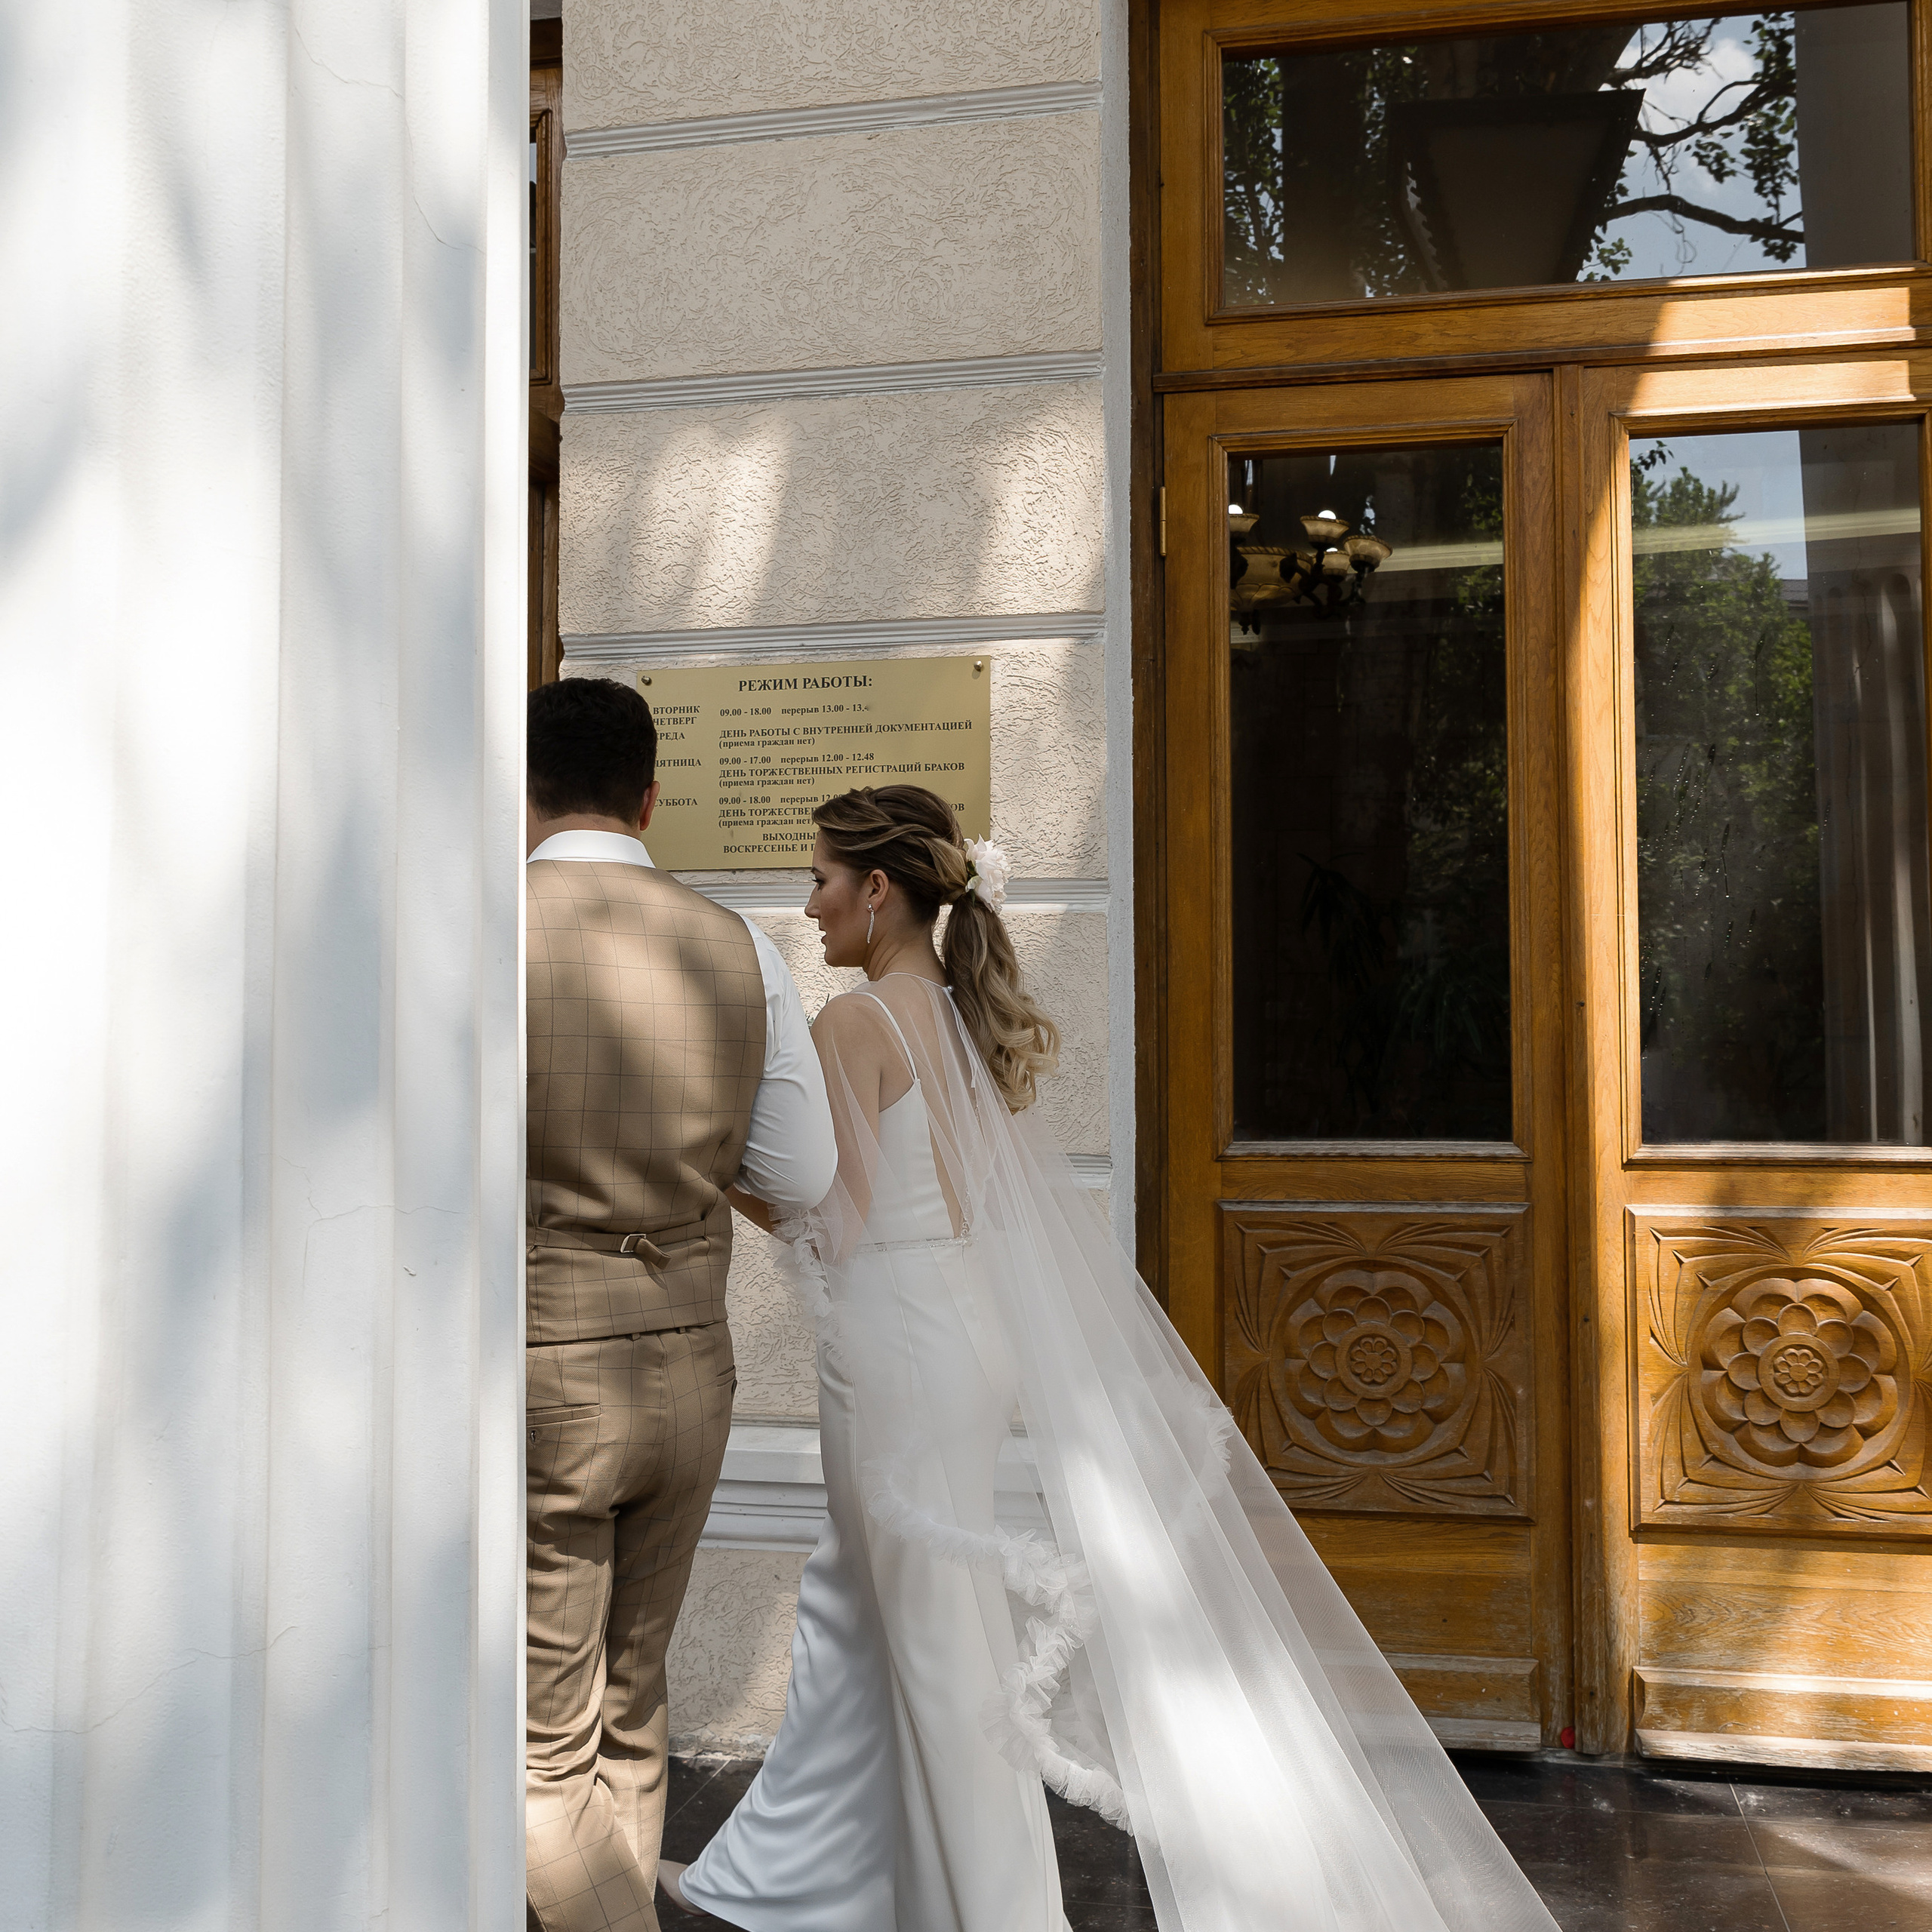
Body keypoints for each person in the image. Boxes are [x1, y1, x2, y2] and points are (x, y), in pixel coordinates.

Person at [658, 784, 1561, 1932]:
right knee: (863, 1602)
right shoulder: (957, 1014)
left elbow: (832, 1224)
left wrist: (709, 1172)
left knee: (934, 1634)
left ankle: (1000, 1910)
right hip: (954, 1335)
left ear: (879, 891)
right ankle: (781, 1878)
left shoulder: (859, 1022)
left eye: (825, 879)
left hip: (894, 1346)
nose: (811, 903)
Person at [522, 677, 836, 1932]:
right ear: (652, 797)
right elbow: (804, 1176)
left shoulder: (478, 928)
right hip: (693, 1367)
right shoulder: (738, 942)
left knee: (536, 1751)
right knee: (632, 1700)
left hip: (540, 1367)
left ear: (523, 787)